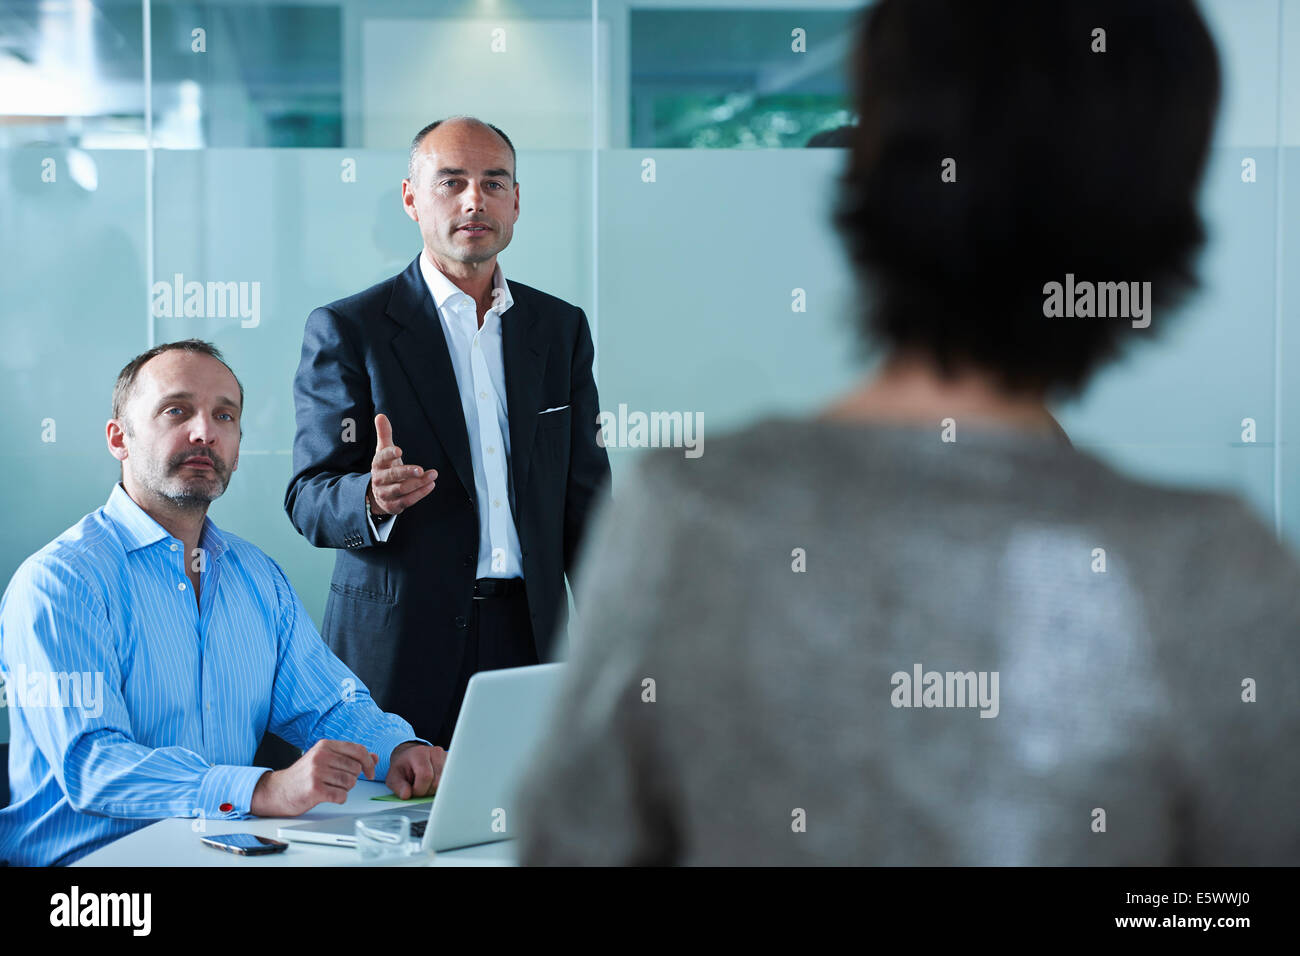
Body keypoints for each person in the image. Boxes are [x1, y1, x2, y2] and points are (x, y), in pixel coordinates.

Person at [514, 0, 1300, 864]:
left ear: (868, 184)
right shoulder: (1215, 567)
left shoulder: (691, 518)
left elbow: (572, 846)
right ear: (1161, 222)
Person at [0, 341, 445, 867]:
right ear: (119, 438)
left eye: (224, 416)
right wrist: (262, 791)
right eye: (176, 410)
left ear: (236, 445)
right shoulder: (60, 583)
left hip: (220, 852)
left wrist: (397, 749)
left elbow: (326, 705)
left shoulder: (255, 576)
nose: (204, 432)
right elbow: (94, 766)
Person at [286, 116, 611, 747]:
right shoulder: (350, 328)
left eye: (494, 183)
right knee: (390, 832)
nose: (474, 200)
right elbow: (308, 498)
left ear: (515, 201)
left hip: (532, 637)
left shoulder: (559, 329)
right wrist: (371, 499)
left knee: (525, 832)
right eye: (451, 181)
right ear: (411, 198)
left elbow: (586, 500)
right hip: (401, 646)